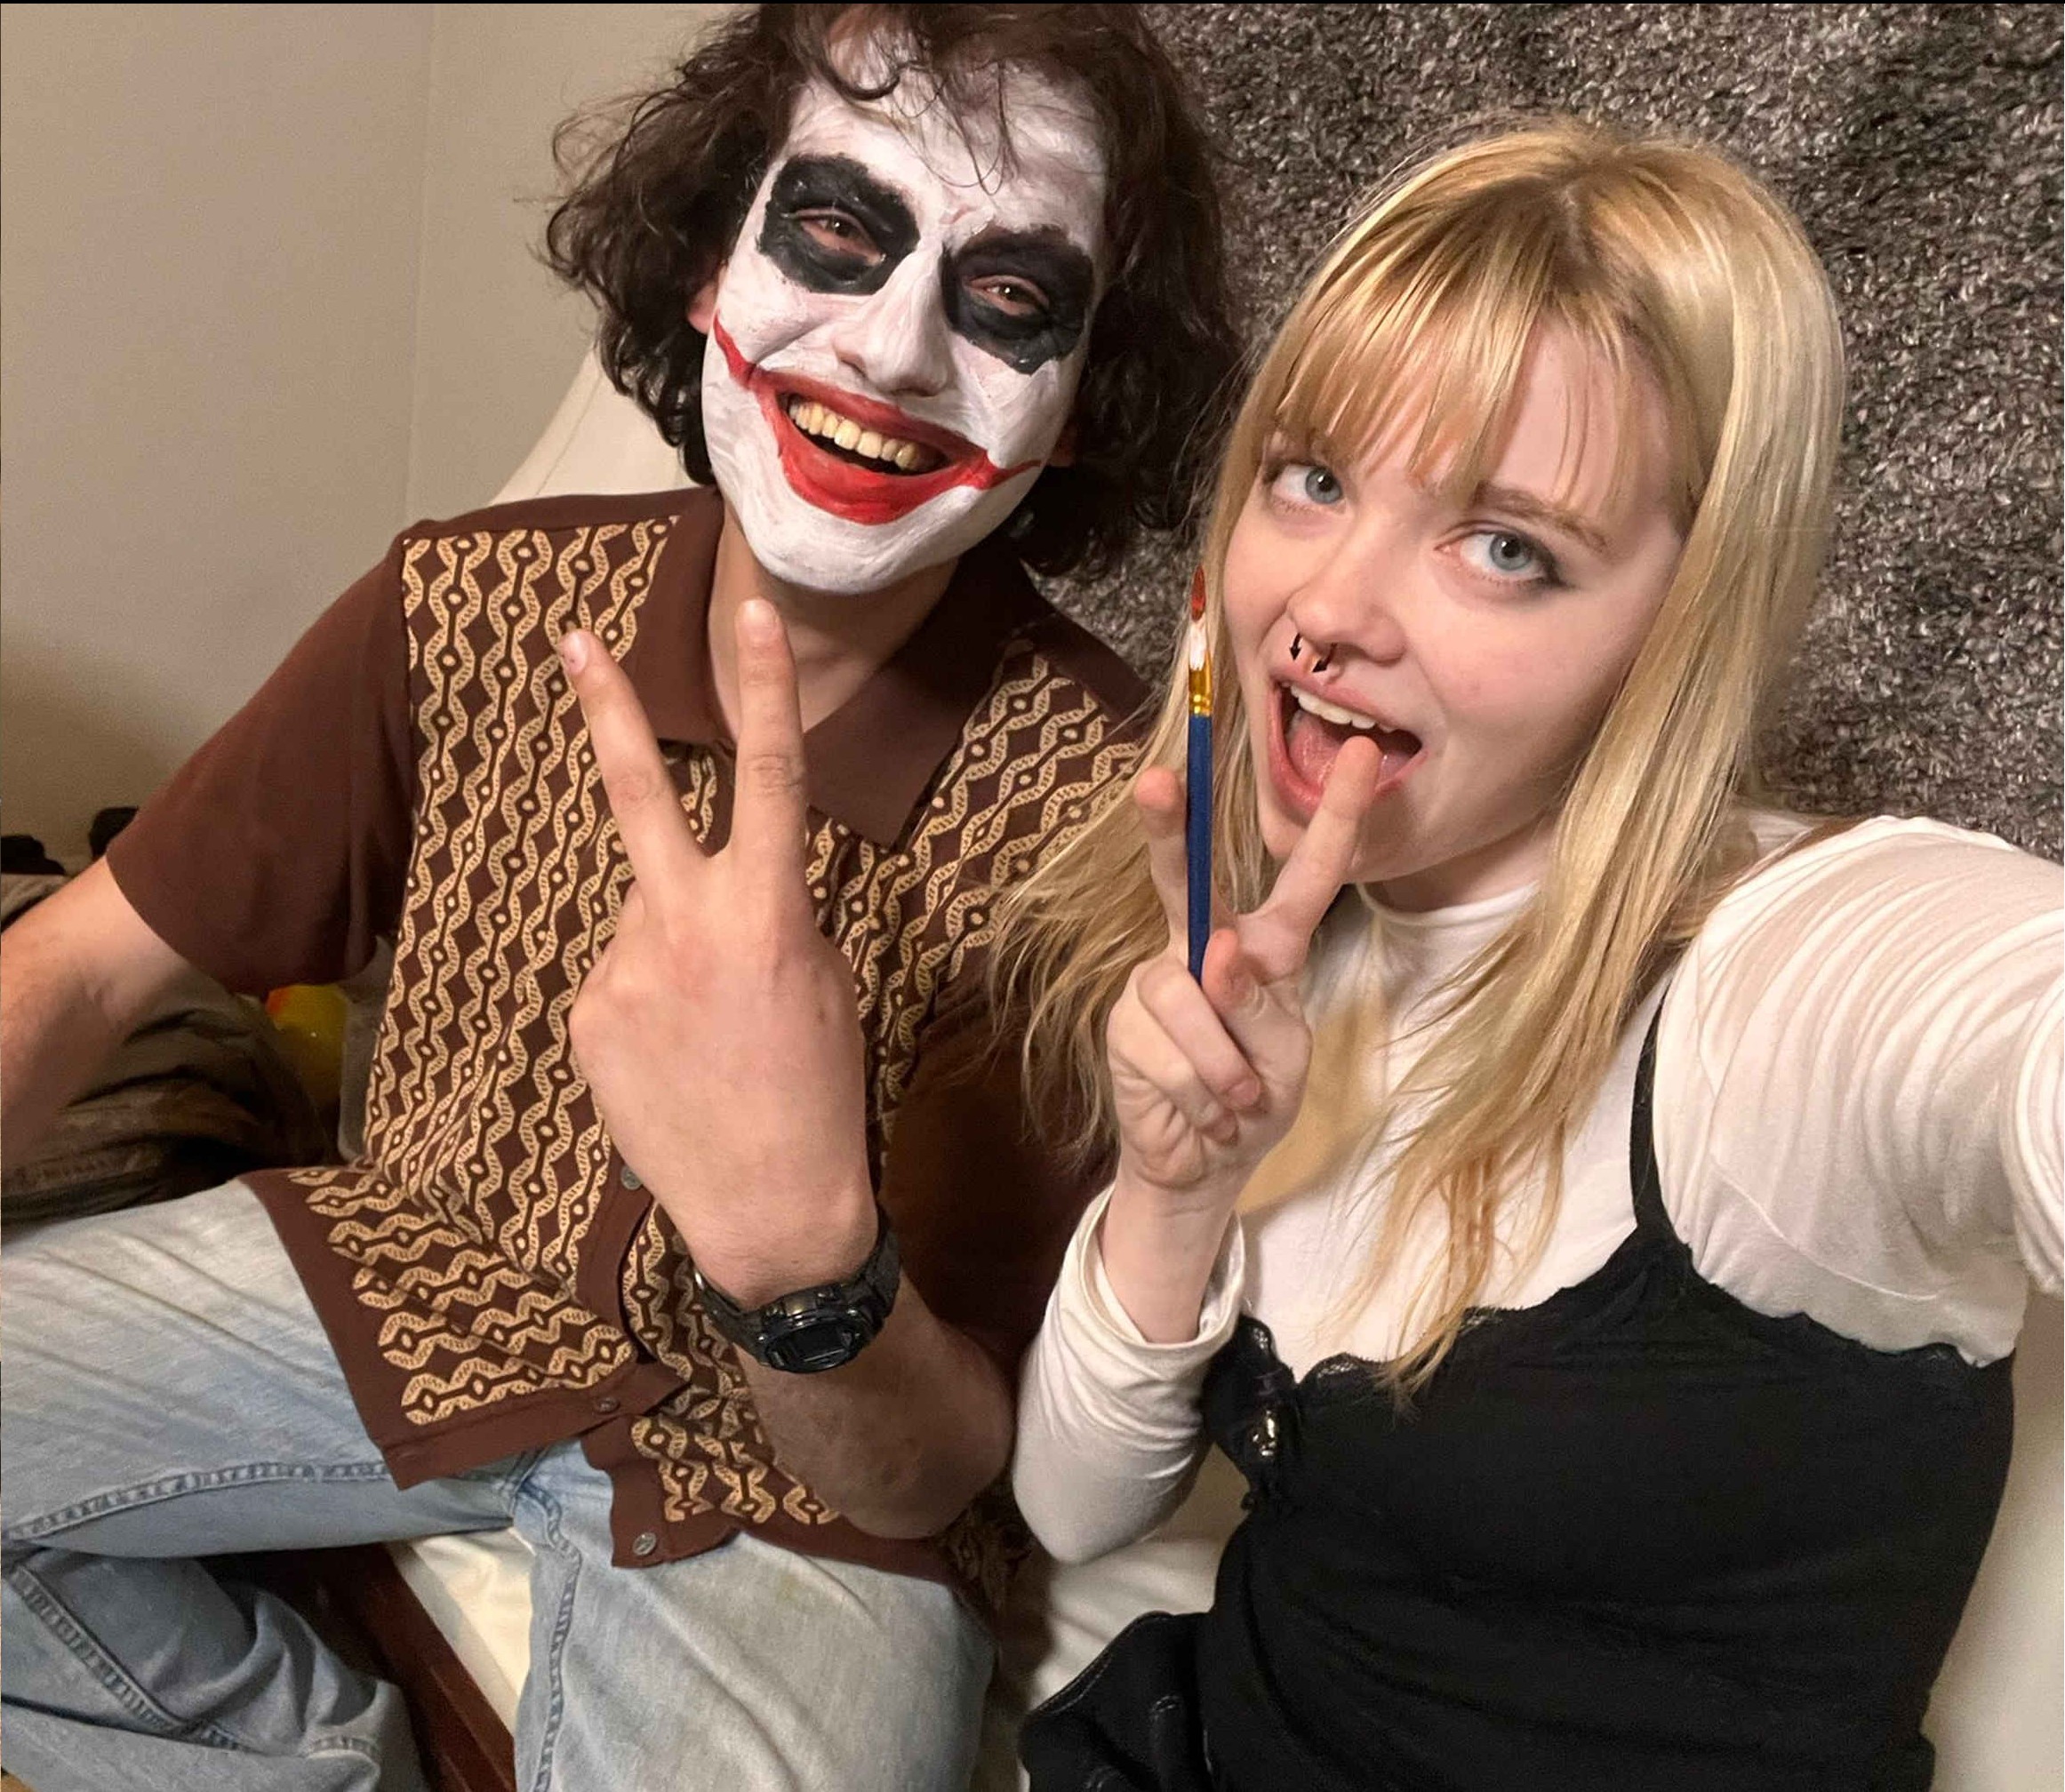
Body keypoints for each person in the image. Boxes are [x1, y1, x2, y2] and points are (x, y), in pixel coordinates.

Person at [0, 7, 1237, 1789]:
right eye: (839, 229)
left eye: (1010, 299)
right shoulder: (467, 606)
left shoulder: (1105, 828)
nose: (895, 351)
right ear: (708, 260)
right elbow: (79, 966)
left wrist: (800, 1263)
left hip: (803, 1498)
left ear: (1077, 404)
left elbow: (934, 1470)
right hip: (403, 1282)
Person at [997, 119, 2061, 1790]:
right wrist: (1174, 1184)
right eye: (1313, 477)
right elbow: (1071, 1507)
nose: (1327, 610)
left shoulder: (1785, 989)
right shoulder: (1297, 940)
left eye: (1507, 547)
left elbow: (2007, 1017)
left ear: (1680, 625)